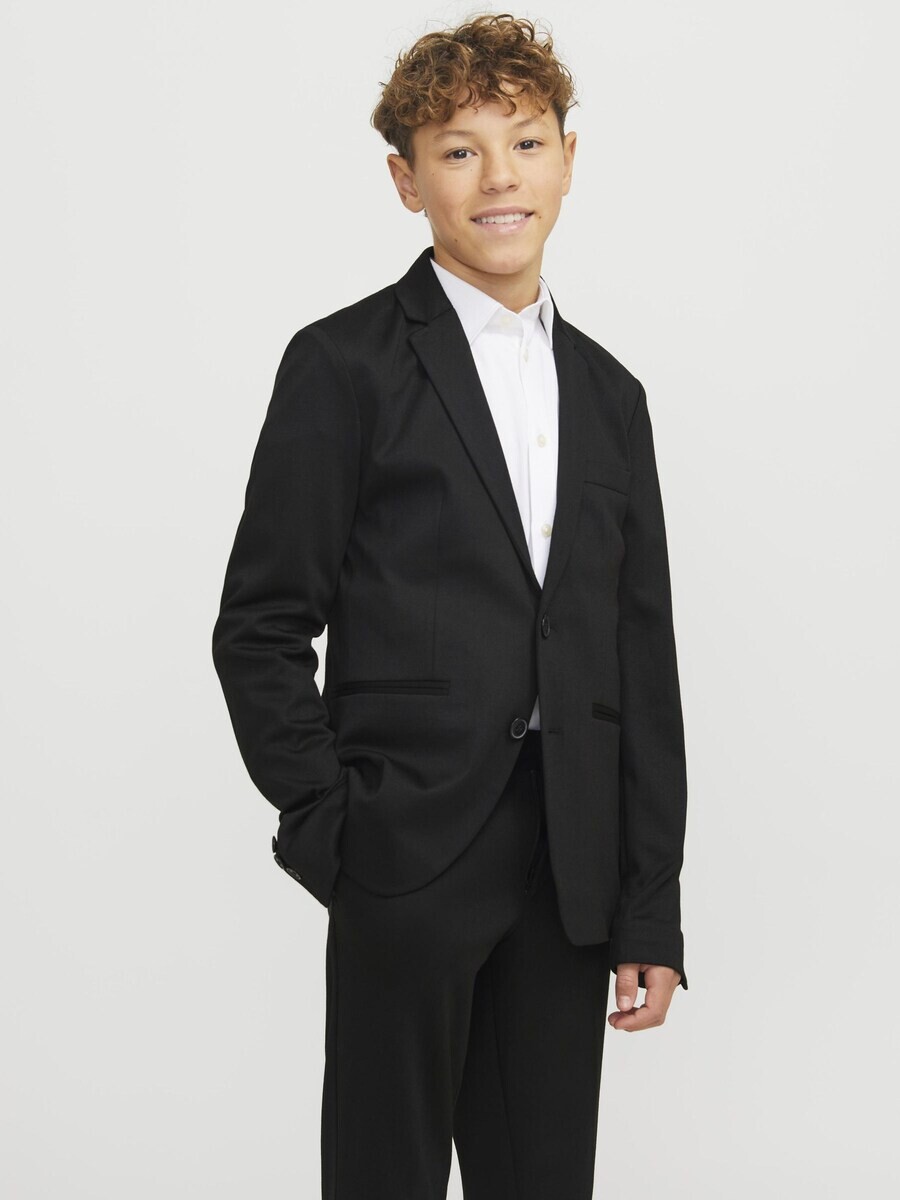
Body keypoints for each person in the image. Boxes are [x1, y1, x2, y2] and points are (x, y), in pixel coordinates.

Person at [212, 12, 689, 1198]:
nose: (498, 179)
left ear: (568, 161)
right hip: (406, 852)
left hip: (569, 871)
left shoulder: (611, 395)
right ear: (406, 180)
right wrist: (335, 824)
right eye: (459, 152)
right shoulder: (345, 365)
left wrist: (649, 909)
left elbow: (639, 659)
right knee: (386, 1175)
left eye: (525, 144)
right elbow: (262, 622)